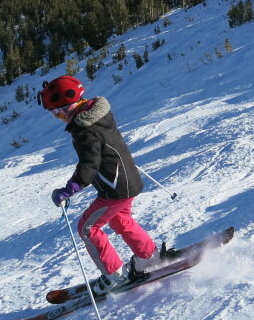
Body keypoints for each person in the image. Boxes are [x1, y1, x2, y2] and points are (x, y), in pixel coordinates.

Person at [39, 75, 176, 295]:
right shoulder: (98, 115)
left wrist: (69, 189)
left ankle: (114, 275)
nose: (57, 118)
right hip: (128, 181)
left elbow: (89, 163)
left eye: (56, 113)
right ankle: (148, 257)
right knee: (121, 220)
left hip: (114, 190)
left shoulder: (84, 129)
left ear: (67, 108)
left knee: (87, 228)